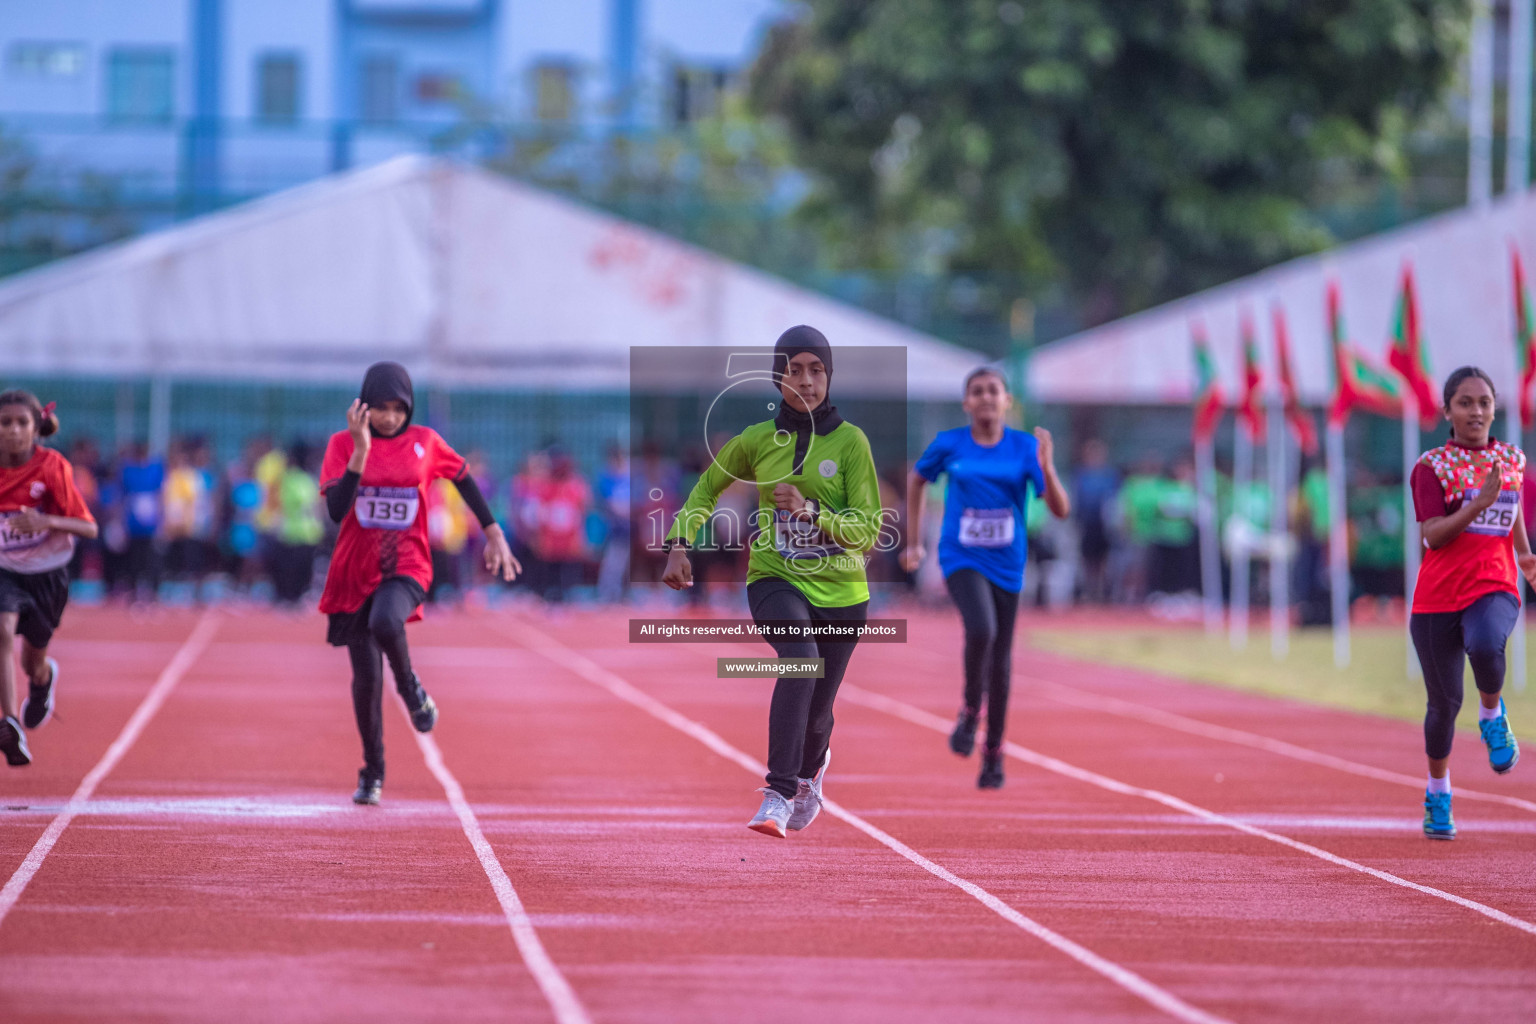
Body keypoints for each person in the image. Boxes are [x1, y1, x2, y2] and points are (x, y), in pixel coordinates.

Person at [662, 326, 882, 837]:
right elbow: (706, 488)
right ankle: (779, 793)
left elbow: (868, 533)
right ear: (777, 376)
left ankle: (812, 770)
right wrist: (679, 543)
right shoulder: (756, 441)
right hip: (774, 576)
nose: (806, 381)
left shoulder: (851, 443)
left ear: (829, 376)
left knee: (818, 713)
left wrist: (810, 512)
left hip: (844, 593)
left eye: (817, 370)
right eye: (795, 369)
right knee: (800, 661)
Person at [319, 363, 519, 805]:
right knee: (366, 679)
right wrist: (359, 451)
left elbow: (463, 476)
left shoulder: (425, 443)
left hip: (407, 563)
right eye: (381, 409)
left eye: (398, 409)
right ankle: (372, 772)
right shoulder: (341, 444)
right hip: (354, 570)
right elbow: (335, 511)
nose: (390, 418)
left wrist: (492, 531)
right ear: (363, 406)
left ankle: (412, 691)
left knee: (387, 621)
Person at [901, 368, 1070, 788]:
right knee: (981, 629)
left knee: (1002, 660)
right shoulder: (949, 443)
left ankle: (993, 753)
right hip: (960, 555)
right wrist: (913, 542)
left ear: (1007, 400)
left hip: (1008, 562)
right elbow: (916, 479)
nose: (986, 398)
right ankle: (971, 709)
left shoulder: (1026, 447)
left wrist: (1047, 469)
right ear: (966, 403)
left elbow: (1060, 509)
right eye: (977, 392)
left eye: (993, 391)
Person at [1410, 366, 1536, 839]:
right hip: (1437, 597)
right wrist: (1475, 506)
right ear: (1447, 411)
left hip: (1494, 583)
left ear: (1494, 408)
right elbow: (1433, 537)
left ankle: (1491, 715)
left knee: (1486, 645)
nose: (1476, 411)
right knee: (1443, 706)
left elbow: (1513, 507)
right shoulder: (1431, 467)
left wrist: (1524, 554)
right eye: (1465, 402)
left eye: (1484, 402)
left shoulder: (1512, 457)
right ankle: (1438, 792)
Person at [0, 391, 98, 767]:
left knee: (32, 661)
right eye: (4, 423)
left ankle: (42, 681)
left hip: (46, 576)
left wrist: (46, 521)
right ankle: (9, 722)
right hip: (5, 571)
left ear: (36, 427)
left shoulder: (52, 467)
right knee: (2, 629)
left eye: (21, 423)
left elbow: (88, 528)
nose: (12, 431)